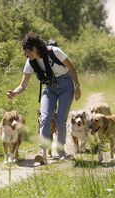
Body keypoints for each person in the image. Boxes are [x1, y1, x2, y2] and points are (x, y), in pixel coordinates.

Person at [6, 32, 81, 164]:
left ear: (37, 46)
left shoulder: (55, 51)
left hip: (65, 86)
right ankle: (43, 153)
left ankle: (61, 151)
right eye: (26, 52)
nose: (28, 54)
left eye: (30, 51)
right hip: (49, 89)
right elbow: (23, 85)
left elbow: (71, 67)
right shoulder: (30, 62)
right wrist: (14, 93)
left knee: (60, 120)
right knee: (44, 118)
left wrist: (77, 86)